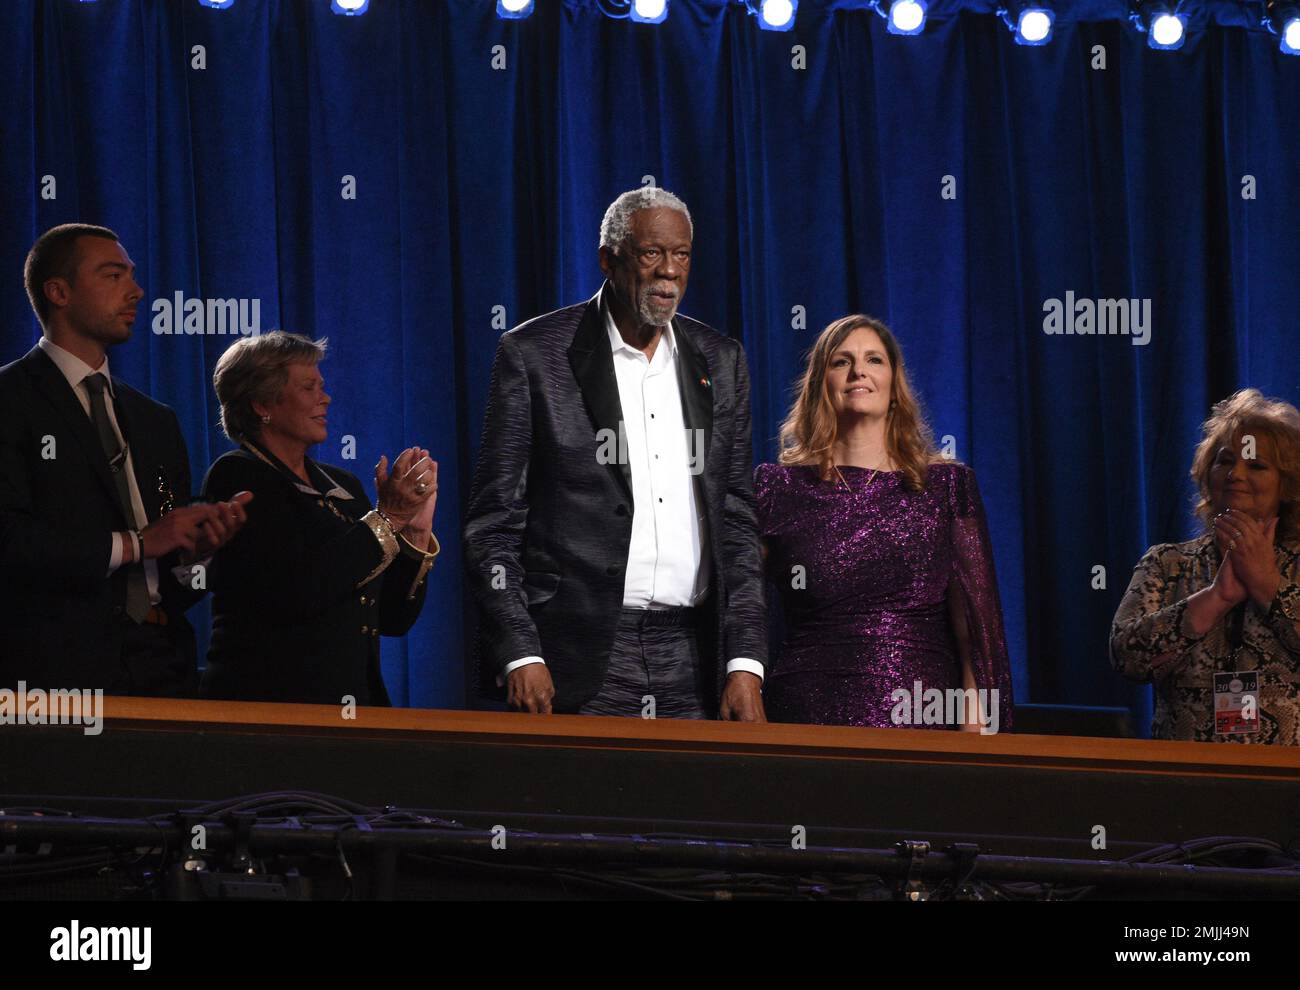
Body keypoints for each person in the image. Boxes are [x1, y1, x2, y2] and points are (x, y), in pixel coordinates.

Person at [463, 187, 767, 720]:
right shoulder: (534, 354)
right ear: (609, 259)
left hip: (697, 658)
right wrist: (520, 651)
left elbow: (736, 521)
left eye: (681, 255)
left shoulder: (721, 361)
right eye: (652, 253)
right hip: (571, 658)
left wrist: (745, 661)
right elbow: (493, 524)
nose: (669, 272)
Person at [0, 223, 250, 696]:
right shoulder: (10, 400)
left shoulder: (155, 420)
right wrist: (136, 544)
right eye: (113, 276)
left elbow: (168, 547)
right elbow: (10, 539)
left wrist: (196, 551)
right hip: (52, 677)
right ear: (59, 292)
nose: (136, 291)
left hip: (163, 666)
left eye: (132, 276)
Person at [754, 315, 1014, 731]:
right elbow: (745, 607)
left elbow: (972, 626)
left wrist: (974, 725)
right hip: (805, 712)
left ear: (895, 386)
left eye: (874, 360)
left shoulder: (946, 486)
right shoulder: (778, 486)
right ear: (821, 382)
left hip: (920, 713)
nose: (859, 371)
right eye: (842, 362)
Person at [200, 331, 439, 705]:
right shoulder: (238, 476)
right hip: (272, 706)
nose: (324, 398)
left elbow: (392, 619)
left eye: (322, 386)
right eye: (309, 387)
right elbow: (298, 591)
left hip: (355, 704)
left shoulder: (342, 485)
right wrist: (388, 516)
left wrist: (415, 533)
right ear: (263, 402)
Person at [1111, 389, 1300, 744]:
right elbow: (1126, 658)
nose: (1235, 474)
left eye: (1255, 464)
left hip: (1287, 784)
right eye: (1225, 461)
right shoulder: (1167, 563)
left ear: (1287, 485)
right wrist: (1215, 598)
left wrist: (1267, 584)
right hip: (1186, 781)